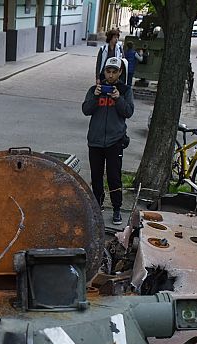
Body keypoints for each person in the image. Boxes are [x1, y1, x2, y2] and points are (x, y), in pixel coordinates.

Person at [82, 57, 134, 224]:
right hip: (95, 141)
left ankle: (117, 209)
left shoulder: (125, 90)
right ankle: (97, 206)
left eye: (114, 72)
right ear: (104, 72)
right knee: (96, 176)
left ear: (119, 73)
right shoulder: (94, 89)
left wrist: (118, 98)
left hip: (115, 141)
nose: (110, 75)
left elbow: (128, 112)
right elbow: (86, 110)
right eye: (108, 71)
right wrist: (96, 97)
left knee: (114, 177)